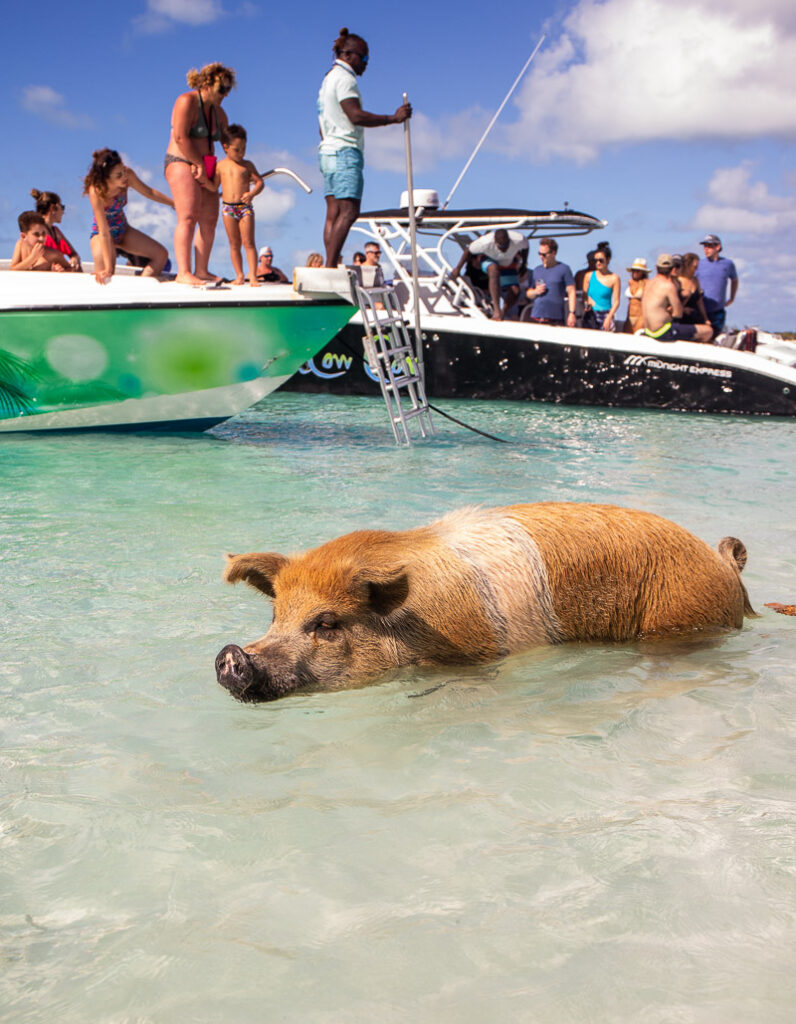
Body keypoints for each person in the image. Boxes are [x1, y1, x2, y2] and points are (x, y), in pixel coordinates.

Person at [318, 28, 411, 268]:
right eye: (365, 57)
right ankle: (329, 267)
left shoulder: (328, 79)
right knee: (349, 212)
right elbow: (355, 115)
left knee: (334, 213)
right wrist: (393, 118)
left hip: (327, 150)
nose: (367, 64)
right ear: (349, 55)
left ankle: (330, 266)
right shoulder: (345, 79)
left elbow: (324, 123)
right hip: (344, 151)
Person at [165, 62, 235, 285]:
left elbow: (227, 143)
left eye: (227, 90)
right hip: (181, 160)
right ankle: (183, 272)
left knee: (210, 219)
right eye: (221, 89)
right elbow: (180, 137)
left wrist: (227, 172)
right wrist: (198, 164)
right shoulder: (186, 101)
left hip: (207, 165)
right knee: (188, 216)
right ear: (207, 84)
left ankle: (202, 270)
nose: (225, 94)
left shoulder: (219, 113)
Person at [84, 148, 173, 285]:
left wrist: (173, 203)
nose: (124, 177)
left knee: (161, 255)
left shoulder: (128, 175)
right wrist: (108, 267)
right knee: (106, 274)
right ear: (105, 179)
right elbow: (104, 233)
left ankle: (140, 289)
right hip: (101, 235)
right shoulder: (96, 191)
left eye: (123, 171)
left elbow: (149, 192)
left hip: (123, 229)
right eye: (118, 176)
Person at [210, 124, 263, 287]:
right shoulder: (220, 166)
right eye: (237, 150)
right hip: (228, 208)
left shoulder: (247, 165)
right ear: (226, 147)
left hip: (244, 207)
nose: (241, 153)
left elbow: (260, 182)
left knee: (249, 242)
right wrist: (202, 179)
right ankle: (239, 275)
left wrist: (252, 193)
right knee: (234, 243)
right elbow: (213, 187)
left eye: (244, 149)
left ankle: (252, 275)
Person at [450, 228, 528, 321]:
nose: (504, 249)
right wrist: (458, 268)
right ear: (495, 242)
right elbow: (468, 251)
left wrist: (524, 264)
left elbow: (525, 248)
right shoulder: (484, 243)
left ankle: (502, 313)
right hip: (489, 258)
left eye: (506, 245)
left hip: (506, 261)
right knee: (493, 270)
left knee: (515, 291)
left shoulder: (518, 239)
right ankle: (497, 310)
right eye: (501, 247)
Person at [641, 254, 712, 342]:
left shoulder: (648, 283)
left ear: (656, 267)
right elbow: (677, 314)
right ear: (672, 268)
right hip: (661, 331)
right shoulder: (668, 286)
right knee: (708, 331)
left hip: (648, 330)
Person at [525, 237, 576, 326]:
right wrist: (536, 291)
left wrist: (572, 313)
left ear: (554, 253)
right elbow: (528, 293)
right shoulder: (537, 270)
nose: (541, 257)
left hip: (555, 319)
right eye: (539, 254)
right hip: (536, 317)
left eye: (544, 254)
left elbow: (571, 291)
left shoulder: (564, 269)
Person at [30, 189, 81, 270]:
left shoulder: (55, 231)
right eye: (62, 207)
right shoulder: (36, 230)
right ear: (52, 208)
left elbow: (74, 254)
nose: (63, 212)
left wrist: (74, 259)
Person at [698, 233, 738, 336]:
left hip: (718, 311)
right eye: (705, 246)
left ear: (718, 247)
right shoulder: (698, 264)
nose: (706, 249)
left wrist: (732, 298)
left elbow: (734, 280)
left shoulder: (728, 264)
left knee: (715, 337)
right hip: (700, 310)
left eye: (709, 246)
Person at [583, 249, 620, 330]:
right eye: (595, 260)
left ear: (608, 259)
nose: (598, 263)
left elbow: (616, 301)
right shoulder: (588, 276)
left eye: (601, 260)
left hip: (606, 314)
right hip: (591, 315)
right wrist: (586, 303)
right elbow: (584, 296)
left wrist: (609, 317)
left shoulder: (614, 278)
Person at [676, 252, 710, 330]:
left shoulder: (695, 280)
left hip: (695, 316)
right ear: (687, 266)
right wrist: (683, 309)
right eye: (694, 267)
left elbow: (699, 301)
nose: (696, 270)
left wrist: (705, 318)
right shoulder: (678, 280)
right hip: (681, 318)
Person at [623, 258, 650, 333]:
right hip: (629, 317)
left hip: (640, 316)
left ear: (643, 272)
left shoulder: (647, 283)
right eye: (633, 270)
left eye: (638, 271)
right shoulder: (630, 282)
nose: (635, 272)